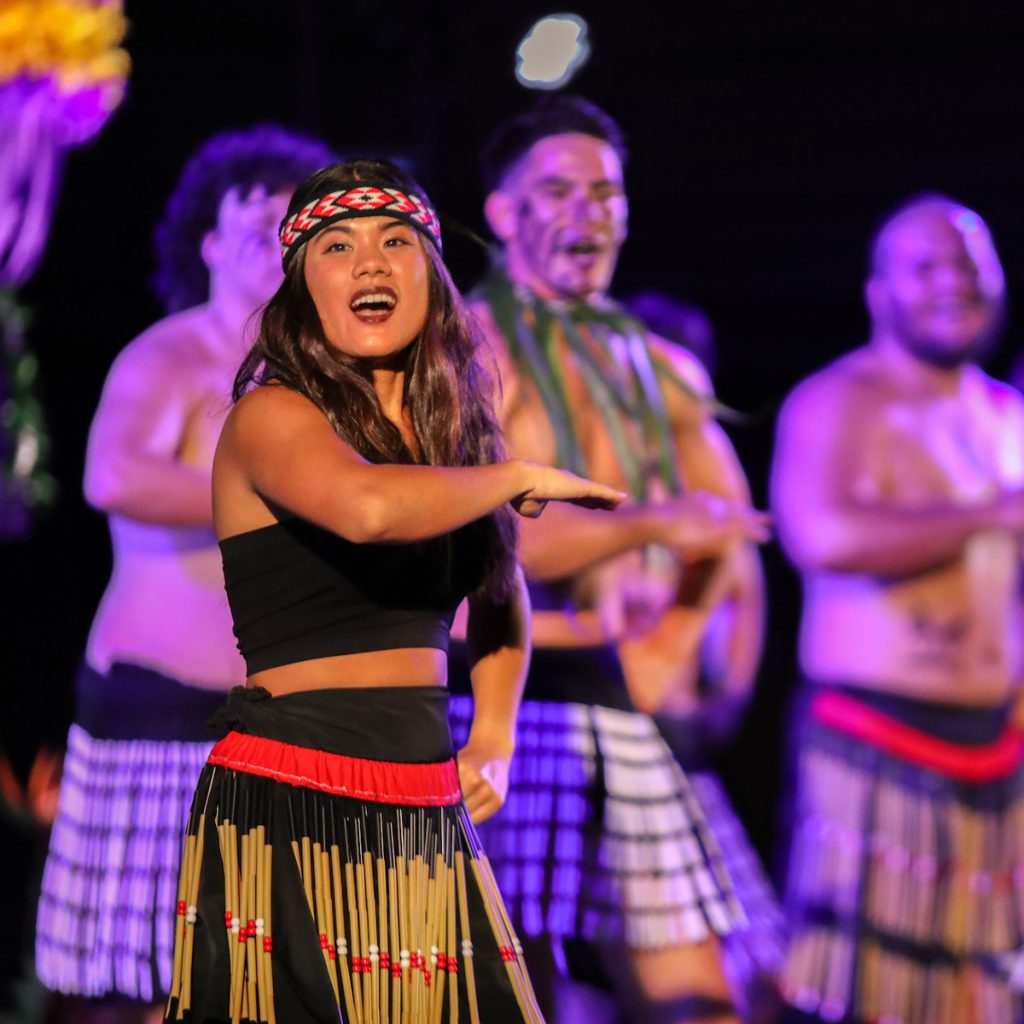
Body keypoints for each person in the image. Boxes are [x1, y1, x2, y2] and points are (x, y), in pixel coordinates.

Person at [161, 156, 624, 1024]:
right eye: (337, 246)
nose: (370, 263)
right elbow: (369, 510)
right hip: (292, 800)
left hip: (424, 803)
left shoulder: (452, 444)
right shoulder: (272, 416)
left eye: (395, 242)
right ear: (302, 288)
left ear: (432, 277)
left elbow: (499, 587)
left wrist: (493, 736)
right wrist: (511, 472)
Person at [446, 94, 769, 1024]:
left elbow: (733, 520)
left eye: (606, 193)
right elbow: (496, 533)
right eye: (558, 191)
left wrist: (677, 630)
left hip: (610, 694)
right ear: (504, 214)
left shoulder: (661, 367)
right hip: (487, 690)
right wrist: (652, 522)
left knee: (700, 1002)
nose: (588, 213)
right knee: (511, 995)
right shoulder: (464, 350)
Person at [34, 125, 335, 1022]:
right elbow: (113, 475)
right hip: (158, 713)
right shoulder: (171, 354)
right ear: (206, 241)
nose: (268, 226)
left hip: (277, 719)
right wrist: (270, 491)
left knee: (250, 984)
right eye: (247, 213)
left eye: (287, 218)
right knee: (135, 982)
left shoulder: (323, 384)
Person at [771, 194, 1024, 1024]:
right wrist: (993, 512)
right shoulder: (841, 401)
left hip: (1000, 743)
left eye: (969, 264)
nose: (952, 282)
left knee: (983, 993)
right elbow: (821, 533)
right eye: (927, 266)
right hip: (874, 739)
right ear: (879, 292)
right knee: (865, 996)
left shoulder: (1007, 415)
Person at [621, 292, 787, 1019]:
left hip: (683, 748)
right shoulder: (600, 468)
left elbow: (744, 588)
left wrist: (730, 695)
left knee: (750, 977)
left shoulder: (696, 478)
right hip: (611, 732)